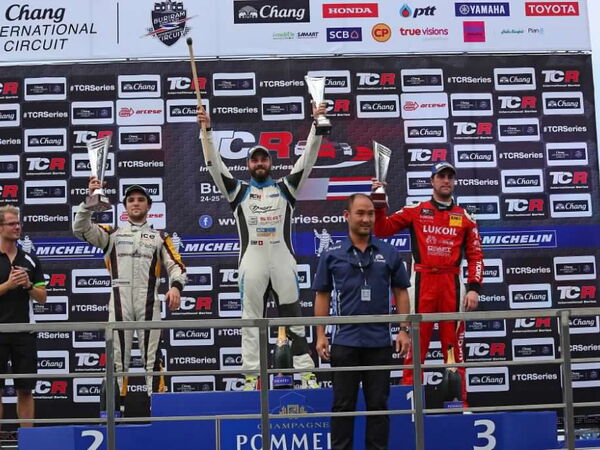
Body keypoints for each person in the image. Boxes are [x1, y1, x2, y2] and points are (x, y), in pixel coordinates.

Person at [197, 103, 326, 390]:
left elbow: (307, 159)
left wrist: (316, 126)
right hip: (252, 262)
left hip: (282, 261)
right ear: (248, 165)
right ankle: (250, 378)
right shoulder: (238, 191)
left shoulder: (285, 188)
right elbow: (214, 166)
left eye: (263, 159)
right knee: (251, 322)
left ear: (270, 163)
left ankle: (307, 375)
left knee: (294, 319)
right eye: (254, 160)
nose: (259, 164)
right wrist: (206, 132)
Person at [372, 161, 483, 405]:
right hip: (422, 284)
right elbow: (382, 229)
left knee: (453, 350)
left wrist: (474, 288)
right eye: (441, 176)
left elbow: (476, 255)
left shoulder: (464, 217)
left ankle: (458, 404)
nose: (446, 181)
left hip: (451, 285)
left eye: (450, 177)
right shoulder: (416, 210)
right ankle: (409, 406)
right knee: (415, 349)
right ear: (432, 181)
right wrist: (379, 204)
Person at [73, 181, 187, 402]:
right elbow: (81, 229)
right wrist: (88, 203)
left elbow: (177, 266)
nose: (136, 203)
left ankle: (157, 411)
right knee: (116, 360)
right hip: (119, 301)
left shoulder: (160, 237)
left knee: (153, 360)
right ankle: (116, 414)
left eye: (141, 199)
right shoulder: (112, 234)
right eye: (131, 200)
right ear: (125, 206)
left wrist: (175, 287)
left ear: (149, 206)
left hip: (149, 301)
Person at [313, 193, 411, 450]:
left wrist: (403, 330)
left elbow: (401, 291)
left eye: (370, 213)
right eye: (360, 213)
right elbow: (322, 294)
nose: (366, 219)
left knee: (378, 406)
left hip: (379, 343)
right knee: (342, 406)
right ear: (347, 216)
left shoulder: (389, 252)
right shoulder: (331, 254)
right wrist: (321, 334)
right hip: (344, 342)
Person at [0, 205, 47, 428]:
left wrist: (28, 285)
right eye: (12, 223)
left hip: (24, 332)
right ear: (0, 227)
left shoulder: (30, 259)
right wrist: (8, 285)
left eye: (18, 223)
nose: (17, 227)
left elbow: (42, 297)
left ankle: (28, 440)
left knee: (26, 389)